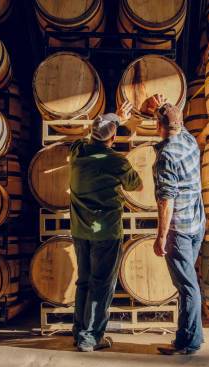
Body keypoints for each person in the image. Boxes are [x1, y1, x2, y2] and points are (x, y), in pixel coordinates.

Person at [69, 101, 143, 352]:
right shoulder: (117, 162)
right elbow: (136, 186)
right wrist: (119, 121)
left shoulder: (78, 152)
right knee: (101, 285)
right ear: (113, 137)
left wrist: (114, 119)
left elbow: (85, 138)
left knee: (84, 281)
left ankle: (79, 332)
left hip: (80, 230)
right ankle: (91, 338)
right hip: (106, 232)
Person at [151, 97, 206, 356]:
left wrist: (161, 236)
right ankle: (186, 338)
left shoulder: (166, 156)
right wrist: (162, 107)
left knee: (187, 287)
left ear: (158, 125)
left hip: (179, 230)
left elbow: (166, 200)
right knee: (187, 285)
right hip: (197, 224)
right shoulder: (189, 141)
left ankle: (190, 342)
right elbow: (173, 123)